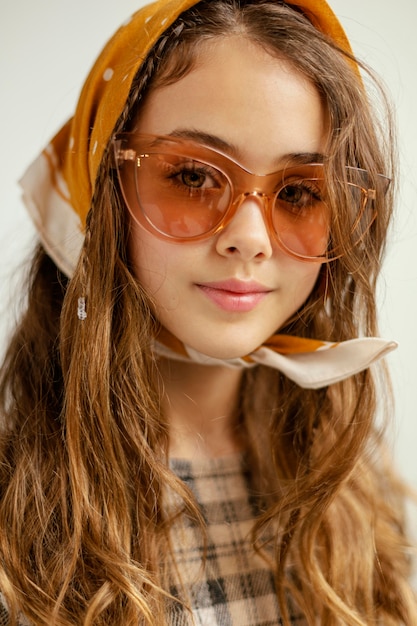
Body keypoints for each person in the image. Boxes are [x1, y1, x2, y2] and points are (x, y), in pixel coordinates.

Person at [0, 0, 415, 624]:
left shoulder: (354, 486)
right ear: (100, 185)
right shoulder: (16, 511)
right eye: (193, 176)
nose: (250, 237)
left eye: (299, 192)